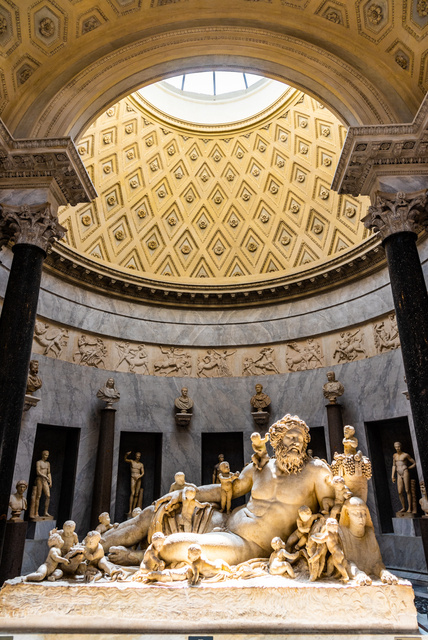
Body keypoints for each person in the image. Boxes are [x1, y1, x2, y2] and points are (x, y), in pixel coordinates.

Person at [104, 414, 334, 566]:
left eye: (301, 439)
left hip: (247, 545)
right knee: (154, 512)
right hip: (222, 520)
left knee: (174, 544)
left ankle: (135, 558)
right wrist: (183, 493)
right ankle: (91, 546)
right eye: (290, 437)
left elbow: (334, 510)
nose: (296, 442)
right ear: (277, 440)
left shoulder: (316, 472)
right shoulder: (261, 467)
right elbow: (228, 490)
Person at [339, 496, 397, 585]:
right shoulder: (342, 533)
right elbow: (346, 562)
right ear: (347, 513)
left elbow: (376, 563)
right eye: (355, 513)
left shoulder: (369, 533)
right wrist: (358, 573)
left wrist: (383, 572)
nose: (361, 517)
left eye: (363, 513)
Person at [392, 441, 416, 514]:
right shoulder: (395, 455)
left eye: (398, 447)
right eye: (396, 447)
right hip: (398, 473)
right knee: (400, 491)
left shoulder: (405, 455)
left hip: (405, 471)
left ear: (401, 446)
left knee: (407, 490)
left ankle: (410, 508)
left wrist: (408, 468)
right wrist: (392, 475)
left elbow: (414, 463)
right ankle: (403, 507)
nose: (397, 448)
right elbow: (394, 466)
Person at [30, 450, 52, 519]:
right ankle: (36, 512)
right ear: (42, 455)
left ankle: (45, 512)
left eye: (47, 455)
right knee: (38, 496)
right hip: (39, 479)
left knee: (48, 496)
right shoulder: (38, 462)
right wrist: (44, 476)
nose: (46, 457)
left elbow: (49, 472)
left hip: (45, 480)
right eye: (45, 455)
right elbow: (38, 472)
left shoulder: (48, 463)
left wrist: (50, 481)